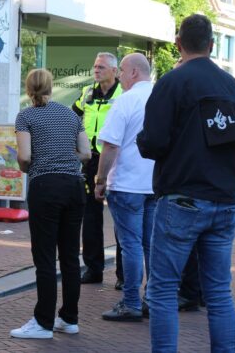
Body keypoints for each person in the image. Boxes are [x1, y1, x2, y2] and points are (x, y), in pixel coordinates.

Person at [137, 14, 235, 352]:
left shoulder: (172, 82)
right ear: (212, 46)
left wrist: (145, 140)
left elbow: (153, 142)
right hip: (224, 199)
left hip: (182, 198)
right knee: (218, 291)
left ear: (178, 44)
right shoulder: (233, 86)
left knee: (163, 289)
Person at [11, 69, 91, 339]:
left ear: (29, 88)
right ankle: (69, 318)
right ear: (50, 87)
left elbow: (24, 156)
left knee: (45, 257)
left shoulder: (26, 116)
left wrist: (33, 165)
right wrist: (65, 158)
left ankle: (43, 322)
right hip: (74, 186)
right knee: (70, 256)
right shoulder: (71, 114)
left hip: (45, 187)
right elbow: (87, 153)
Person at [93, 53, 157, 322]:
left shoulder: (125, 100)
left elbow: (110, 145)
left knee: (130, 244)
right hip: (155, 184)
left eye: (121, 70)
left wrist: (99, 180)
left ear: (133, 73)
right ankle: (152, 298)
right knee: (150, 244)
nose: (118, 75)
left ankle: (131, 301)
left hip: (127, 183)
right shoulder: (162, 98)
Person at [73, 52, 124, 287]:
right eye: (94, 66)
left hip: (116, 159)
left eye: (101, 67)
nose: (96, 70)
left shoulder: (124, 94)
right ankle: (94, 269)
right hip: (90, 160)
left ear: (114, 71)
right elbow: (73, 118)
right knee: (90, 216)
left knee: (121, 218)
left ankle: (124, 276)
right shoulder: (87, 93)